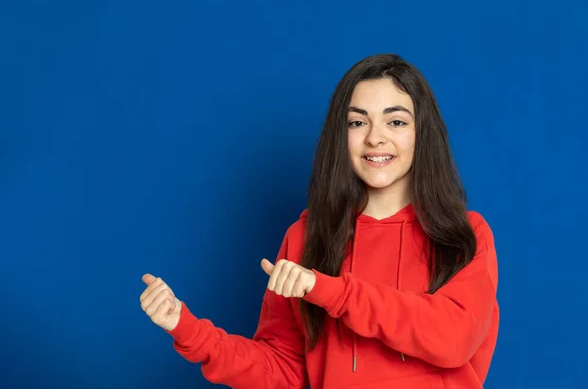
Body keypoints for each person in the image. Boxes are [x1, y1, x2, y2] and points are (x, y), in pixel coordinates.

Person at [139, 53, 499, 389]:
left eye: (396, 121)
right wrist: (188, 330)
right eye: (358, 122)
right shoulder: (306, 237)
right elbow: (282, 368)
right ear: (340, 135)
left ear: (423, 133)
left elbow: (453, 338)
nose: (375, 137)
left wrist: (329, 291)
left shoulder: (464, 235)